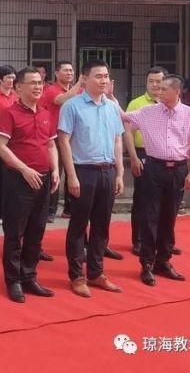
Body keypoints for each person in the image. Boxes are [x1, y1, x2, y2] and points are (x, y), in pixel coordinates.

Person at [121, 75, 190, 286]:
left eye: (164, 88)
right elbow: (123, 117)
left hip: (178, 169)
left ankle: (164, 260)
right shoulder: (147, 112)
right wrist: (110, 96)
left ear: (177, 92)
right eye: (157, 87)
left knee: (169, 216)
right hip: (153, 168)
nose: (159, 90)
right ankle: (147, 263)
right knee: (149, 216)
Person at [58, 59, 125, 298]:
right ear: (85, 79)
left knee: (101, 225)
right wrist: (71, 176)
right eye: (98, 76)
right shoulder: (72, 107)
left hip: (107, 172)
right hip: (83, 172)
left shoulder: (112, 107)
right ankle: (77, 276)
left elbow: (118, 139)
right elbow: (64, 141)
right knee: (78, 226)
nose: (104, 80)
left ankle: (96, 273)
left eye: (106, 76)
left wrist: (119, 172)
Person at [0, 67, 59, 303]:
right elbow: (0, 147)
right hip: (19, 180)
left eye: (40, 82)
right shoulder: (9, 114)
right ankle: (13, 280)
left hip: (43, 178)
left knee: (36, 230)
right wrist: (24, 169)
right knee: (15, 232)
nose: (38, 87)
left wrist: (55, 171)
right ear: (19, 87)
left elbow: (51, 145)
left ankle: (30, 276)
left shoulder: (45, 113)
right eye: (32, 83)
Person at [124, 66, 167, 255]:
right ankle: (139, 240)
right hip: (143, 154)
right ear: (146, 82)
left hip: (166, 157)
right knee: (142, 199)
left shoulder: (171, 102)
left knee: (164, 201)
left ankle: (163, 241)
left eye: (159, 81)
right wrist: (133, 157)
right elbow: (128, 132)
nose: (155, 85)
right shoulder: (137, 103)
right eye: (152, 81)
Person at [40, 61, 83, 221]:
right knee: (55, 172)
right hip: (56, 137)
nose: (69, 73)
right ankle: (50, 210)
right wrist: (79, 83)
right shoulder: (51, 89)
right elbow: (61, 100)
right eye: (65, 70)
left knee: (74, 171)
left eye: (71, 70)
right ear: (57, 73)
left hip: (74, 136)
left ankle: (69, 208)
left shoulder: (80, 90)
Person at [0, 66, 17, 225]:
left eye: (13, 78)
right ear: (0, 79)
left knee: (11, 177)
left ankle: (9, 209)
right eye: (8, 78)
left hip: (13, 141)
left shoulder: (16, 96)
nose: (11, 81)